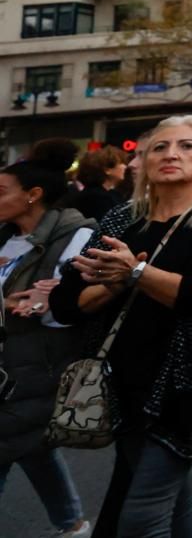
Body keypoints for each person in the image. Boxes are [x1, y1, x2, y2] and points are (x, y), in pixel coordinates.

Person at [51, 115, 192, 538]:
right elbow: (67, 302)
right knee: (177, 509)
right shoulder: (122, 219)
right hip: (118, 381)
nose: (171, 155)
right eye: (159, 147)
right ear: (141, 160)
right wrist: (125, 280)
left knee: (141, 517)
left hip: (186, 385)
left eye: (187, 146)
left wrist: (135, 272)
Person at [0, 145, 97, 537]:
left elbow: (65, 312)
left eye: (2, 190)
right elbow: (18, 300)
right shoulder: (5, 236)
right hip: (9, 365)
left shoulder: (78, 235)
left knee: (10, 443)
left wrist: (53, 298)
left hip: (37, 367)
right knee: (33, 448)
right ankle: (72, 524)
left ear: (32, 195)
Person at [70, 147, 129, 222]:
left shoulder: (109, 194)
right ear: (107, 170)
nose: (125, 167)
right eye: (121, 163)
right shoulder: (97, 197)